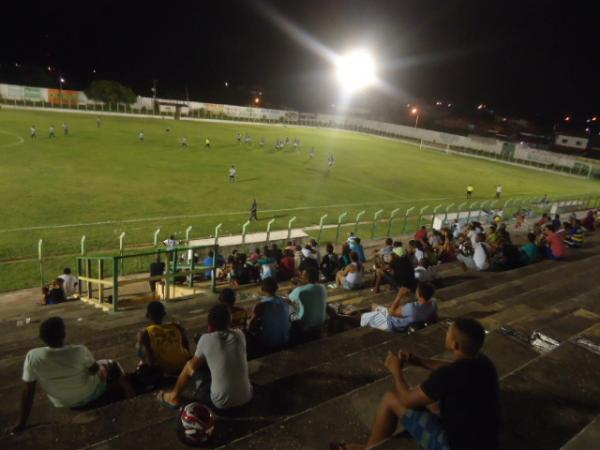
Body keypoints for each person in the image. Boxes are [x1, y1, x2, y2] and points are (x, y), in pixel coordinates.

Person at [334, 318, 500, 450]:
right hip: (486, 439)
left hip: (453, 446)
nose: (446, 333)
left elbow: (406, 400)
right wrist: (419, 361)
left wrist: (396, 371)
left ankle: (369, 448)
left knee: (391, 399)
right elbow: (450, 367)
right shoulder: (483, 362)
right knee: (429, 396)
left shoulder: (449, 375)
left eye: (448, 332)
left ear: (454, 344)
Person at [13, 317, 131, 433]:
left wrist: (20, 423)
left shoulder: (33, 357)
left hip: (62, 402)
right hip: (91, 393)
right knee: (110, 364)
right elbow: (94, 369)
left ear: (42, 337)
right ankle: (128, 391)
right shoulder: (79, 351)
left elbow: (28, 392)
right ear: (64, 334)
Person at [158, 304, 253, 412]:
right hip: (246, 397)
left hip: (220, 404)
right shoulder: (240, 335)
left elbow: (191, 367)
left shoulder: (206, 339)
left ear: (210, 324)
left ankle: (174, 397)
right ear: (229, 321)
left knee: (190, 366)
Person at [137, 302, 190, 377]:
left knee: (141, 347)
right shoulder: (176, 326)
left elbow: (149, 356)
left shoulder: (145, 333)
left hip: (166, 370)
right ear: (164, 313)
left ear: (147, 315)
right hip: (185, 364)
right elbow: (186, 345)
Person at [361, 282, 438, 331]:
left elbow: (391, 312)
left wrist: (399, 295)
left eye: (417, 290)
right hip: (399, 319)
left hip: (390, 323)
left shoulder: (411, 308)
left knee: (363, 317)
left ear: (420, 295)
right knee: (374, 306)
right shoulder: (433, 304)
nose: (416, 291)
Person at [247, 277, 290, 356]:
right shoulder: (284, 301)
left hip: (269, 344)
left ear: (262, 289)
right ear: (277, 288)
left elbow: (250, 327)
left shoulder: (261, 305)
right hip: (285, 340)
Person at [289, 268, 328, 342]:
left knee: (289, 307)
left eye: (303, 276)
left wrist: (298, 286)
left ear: (306, 278)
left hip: (304, 324)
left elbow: (290, 298)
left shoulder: (299, 290)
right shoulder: (322, 287)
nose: (301, 277)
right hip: (320, 322)